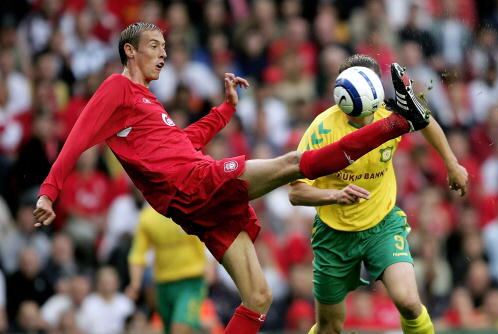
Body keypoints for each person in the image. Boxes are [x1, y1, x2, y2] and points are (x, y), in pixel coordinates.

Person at [33, 22, 433, 334]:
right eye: (154, 46)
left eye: (165, 48)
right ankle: (399, 120)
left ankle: (401, 119)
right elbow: (78, 136)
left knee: (259, 298)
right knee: (293, 163)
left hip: (190, 200)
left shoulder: (145, 103)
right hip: (192, 183)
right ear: (129, 50)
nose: (163, 54)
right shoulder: (118, 88)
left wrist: (224, 111)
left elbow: (182, 142)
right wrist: (50, 192)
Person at [289, 55, 468, 334]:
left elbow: (426, 122)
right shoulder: (322, 128)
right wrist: (334, 196)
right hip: (333, 235)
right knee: (329, 327)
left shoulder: (392, 114)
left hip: (381, 226)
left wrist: (452, 163)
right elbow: (296, 193)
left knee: (409, 302)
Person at [127, 205, 211, 334]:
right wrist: (135, 283)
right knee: (170, 330)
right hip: (163, 284)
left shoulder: (188, 208)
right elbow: (138, 254)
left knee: (179, 327)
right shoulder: (147, 218)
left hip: (191, 282)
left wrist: (209, 266)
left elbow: (205, 239)